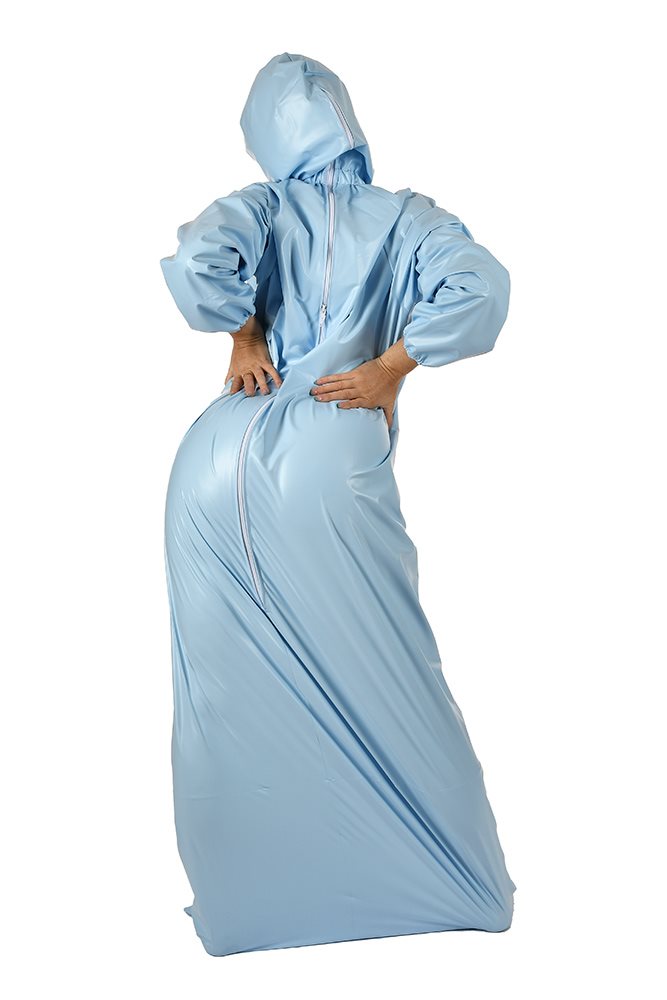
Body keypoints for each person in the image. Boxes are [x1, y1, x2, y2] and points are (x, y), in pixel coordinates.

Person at [160, 51, 516, 959]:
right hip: (330, 442)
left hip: (213, 458)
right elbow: (479, 285)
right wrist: (391, 368)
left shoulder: (260, 208)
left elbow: (200, 256)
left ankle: (252, 908)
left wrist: (243, 332)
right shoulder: (406, 218)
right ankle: (450, 883)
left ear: (263, 136)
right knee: (388, 667)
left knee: (230, 694)